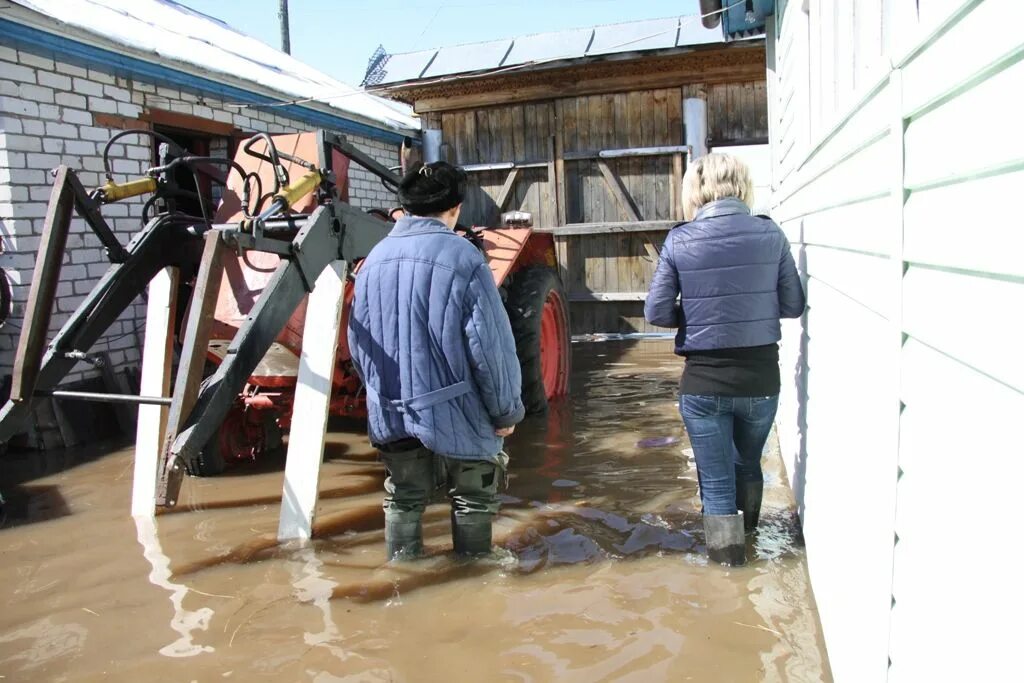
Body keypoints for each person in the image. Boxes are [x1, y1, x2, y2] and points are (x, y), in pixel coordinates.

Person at [347, 161, 525, 561]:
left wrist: (381, 398)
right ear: (456, 207)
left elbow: (357, 345)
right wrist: (506, 411)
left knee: (405, 497)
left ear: (405, 207)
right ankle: (474, 583)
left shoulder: (372, 260)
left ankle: (402, 579)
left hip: (392, 411)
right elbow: (489, 348)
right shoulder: (464, 258)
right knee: (473, 499)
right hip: (459, 409)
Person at [644, 153, 806, 567]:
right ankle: (750, 545)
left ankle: (729, 571)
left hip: (703, 384)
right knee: (748, 465)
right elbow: (793, 305)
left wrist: (698, 313)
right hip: (761, 381)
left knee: (716, 486)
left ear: (696, 191)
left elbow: (656, 312)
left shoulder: (680, 240)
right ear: (742, 185)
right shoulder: (771, 234)